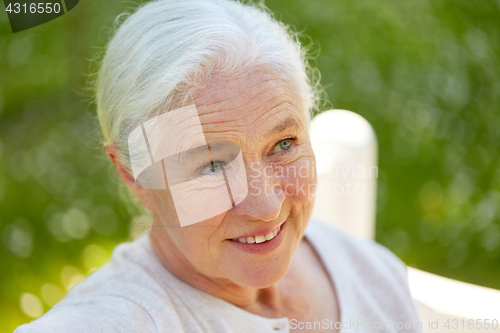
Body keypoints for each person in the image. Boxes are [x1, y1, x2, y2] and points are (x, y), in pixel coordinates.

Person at [15, 0, 422, 332]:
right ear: (133, 174)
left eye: (283, 144)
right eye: (211, 166)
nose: (265, 207)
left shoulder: (373, 275)